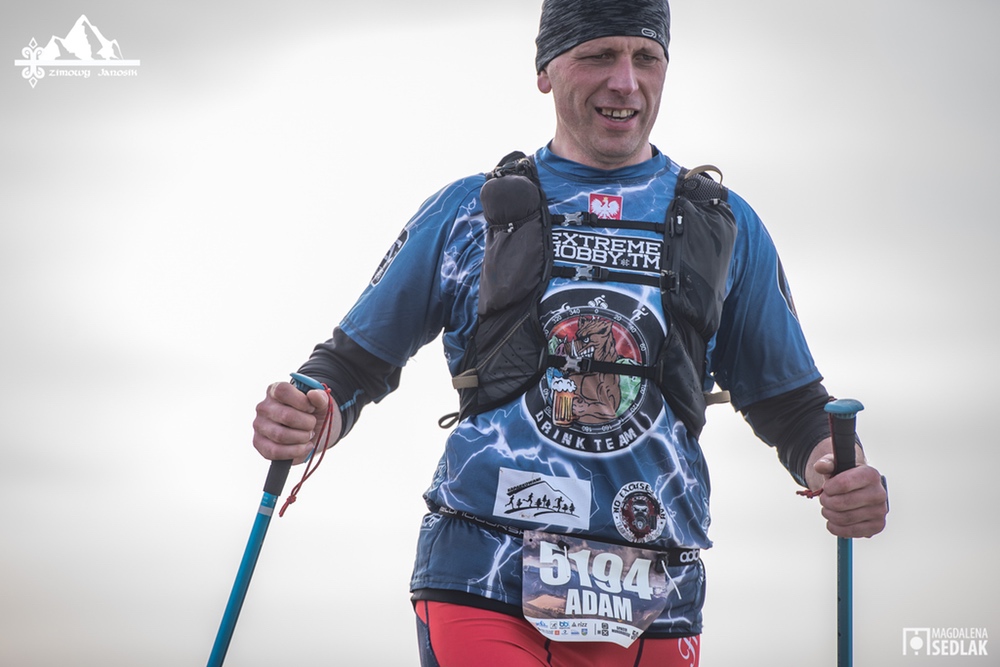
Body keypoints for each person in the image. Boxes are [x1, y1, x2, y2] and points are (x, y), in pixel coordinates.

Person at [251, 1, 889, 665]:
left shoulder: (723, 225)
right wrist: (310, 412)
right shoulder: (468, 211)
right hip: (484, 575)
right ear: (545, 71)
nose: (625, 81)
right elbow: (350, 367)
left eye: (646, 58)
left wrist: (835, 466)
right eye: (598, 55)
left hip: (653, 592)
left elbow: (790, 404)